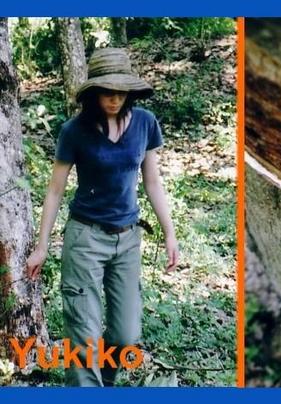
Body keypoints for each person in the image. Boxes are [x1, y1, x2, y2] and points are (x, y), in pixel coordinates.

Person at [25, 48, 180, 386]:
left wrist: (169, 233)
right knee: (84, 337)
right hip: (85, 238)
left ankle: (103, 384)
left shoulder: (145, 123)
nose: (114, 99)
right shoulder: (74, 131)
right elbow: (54, 190)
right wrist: (41, 246)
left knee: (126, 335)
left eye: (120, 92)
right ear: (93, 93)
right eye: (107, 92)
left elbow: (153, 182)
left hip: (127, 239)